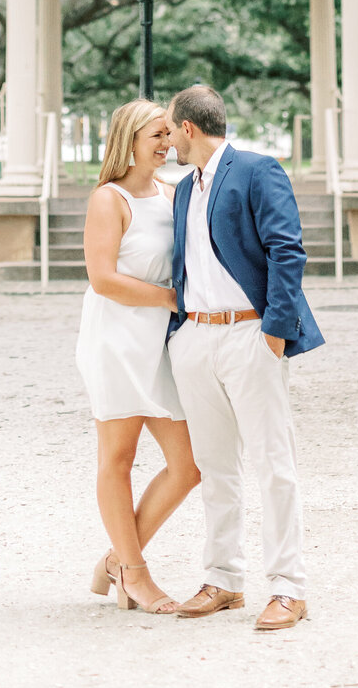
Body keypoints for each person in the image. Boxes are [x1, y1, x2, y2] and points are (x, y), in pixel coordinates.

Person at [164, 82, 323, 632]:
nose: (168, 142)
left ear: (189, 127)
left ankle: (288, 588)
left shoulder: (258, 170)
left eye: (171, 129)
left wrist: (275, 333)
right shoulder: (184, 189)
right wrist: (179, 334)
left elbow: (288, 250)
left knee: (273, 465)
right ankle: (224, 580)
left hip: (251, 336)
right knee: (216, 469)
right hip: (196, 340)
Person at [76, 99, 200, 615]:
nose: (168, 143)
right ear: (129, 141)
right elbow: (102, 278)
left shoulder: (174, 194)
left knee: (189, 465)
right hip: (118, 338)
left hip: (163, 343)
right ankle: (135, 573)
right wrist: (172, 298)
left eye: (169, 134)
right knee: (118, 458)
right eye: (157, 135)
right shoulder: (109, 198)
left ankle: (117, 560)